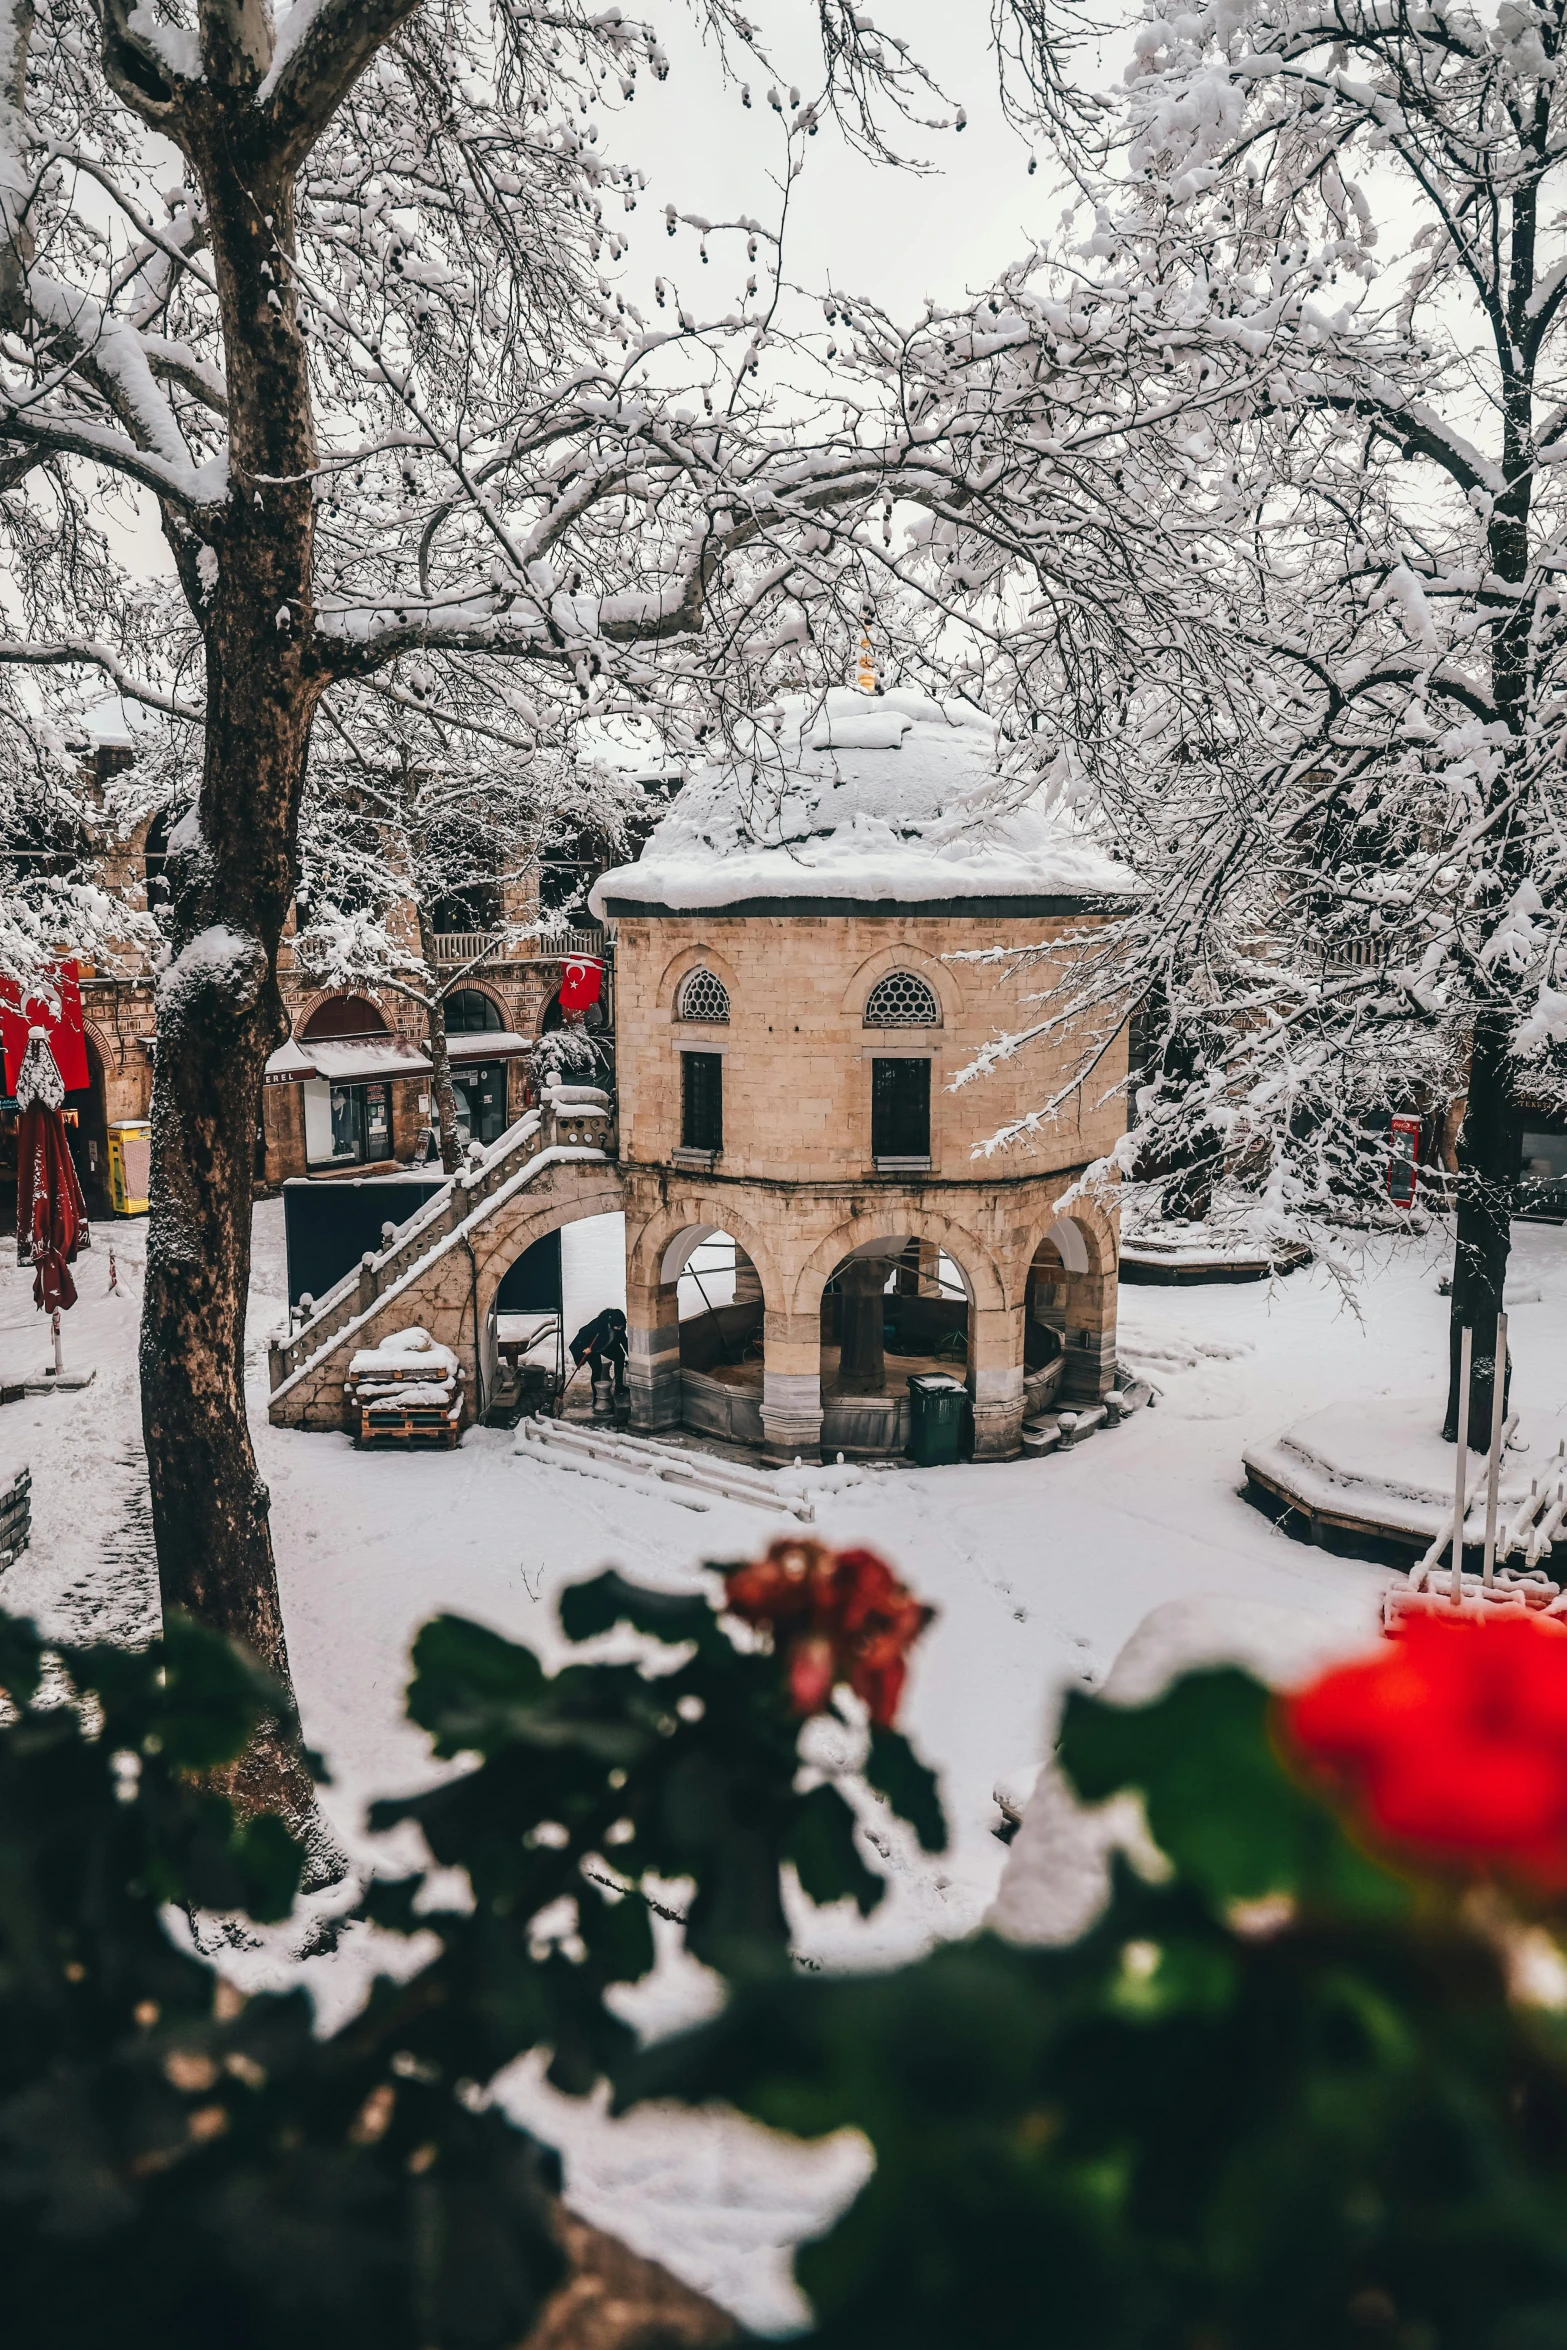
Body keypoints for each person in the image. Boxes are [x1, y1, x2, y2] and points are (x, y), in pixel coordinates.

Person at [570, 1306, 628, 1388]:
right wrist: (582, 1352)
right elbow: (581, 1336)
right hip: (592, 1347)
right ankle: (597, 1395)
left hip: (606, 1344)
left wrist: (630, 1355)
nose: (619, 1329)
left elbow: (624, 1341)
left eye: (621, 1327)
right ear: (610, 1323)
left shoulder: (619, 1328)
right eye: (617, 1327)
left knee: (620, 1356)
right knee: (597, 1369)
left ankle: (619, 1385)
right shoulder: (596, 1326)